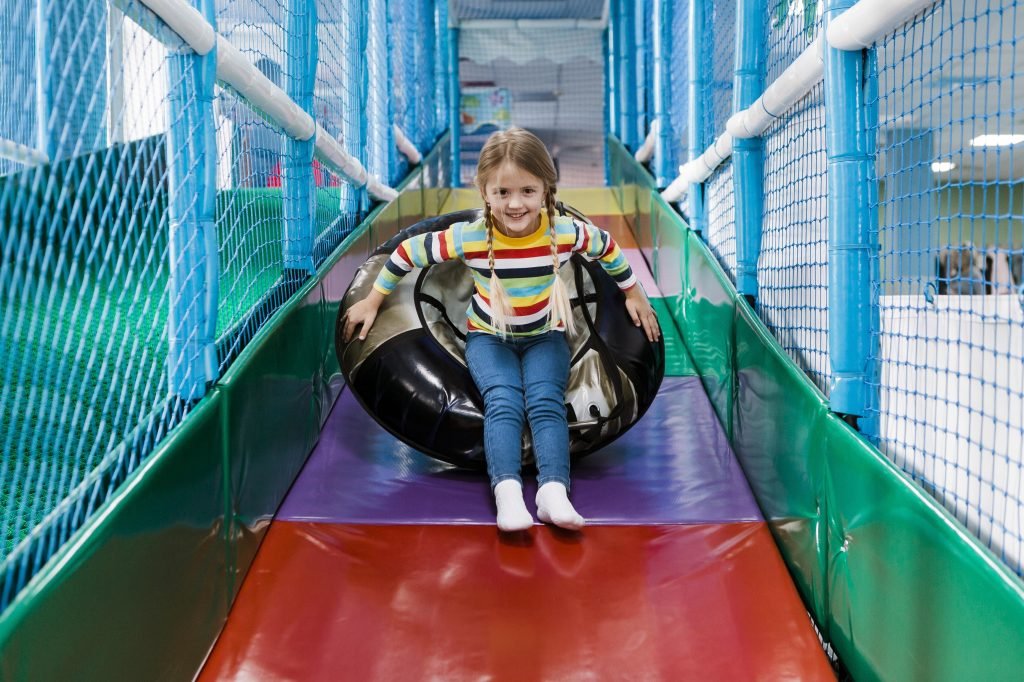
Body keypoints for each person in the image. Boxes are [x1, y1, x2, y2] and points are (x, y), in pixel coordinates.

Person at [342, 128, 661, 532]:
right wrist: (372, 300)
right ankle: (507, 493)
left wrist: (634, 293)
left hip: (546, 336)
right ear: (484, 191)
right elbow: (406, 253)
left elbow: (607, 248)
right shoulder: (472, 237)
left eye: (528, 191)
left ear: (547, 189)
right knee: (504, 401)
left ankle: (553, 493)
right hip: (488, 339)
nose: (515, 204)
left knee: (546, 403)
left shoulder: (562, 232)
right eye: (503, 192)